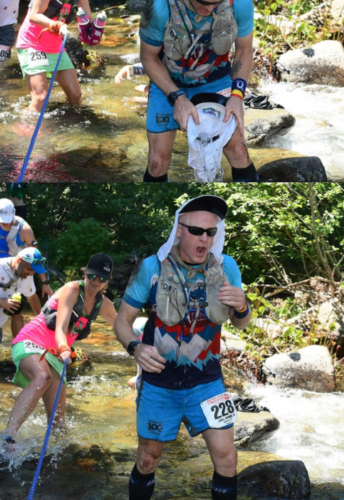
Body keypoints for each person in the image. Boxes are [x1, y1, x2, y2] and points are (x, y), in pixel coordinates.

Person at [114, 195, 252, 500]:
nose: (204, 238)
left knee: (228, 458)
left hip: (208, 381)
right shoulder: (152, 267)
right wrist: (135, 347)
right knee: (148, 459)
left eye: (210, 232)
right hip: (159, 383)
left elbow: (241, 323)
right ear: (178, 229)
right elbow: (122, 321)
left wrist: (242, 306)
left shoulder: (227, 267)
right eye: (196, 231)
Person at [139, 0, 258, 183]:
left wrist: (237, 95)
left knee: (239, 150)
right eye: (202, 1)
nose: (209, 8)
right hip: (168, 83)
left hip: (216, 79)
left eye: (216, 1)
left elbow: (243, 51)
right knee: (157, 162)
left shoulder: (240, 2)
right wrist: (177, 98)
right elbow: (148, 57)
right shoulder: (159, 7)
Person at [2, 253, 116, 449]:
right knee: (42, 378)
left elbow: (122, 327)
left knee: (58, 425)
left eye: (102, 278)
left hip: (54, 355)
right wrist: (64, 348)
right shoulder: (72, 289)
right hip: (31, 341)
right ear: (85, 273)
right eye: (92, 276)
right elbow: (61, 328)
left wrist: (139, 344)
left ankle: (61, 462)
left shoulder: (103, 304)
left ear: (107, 281)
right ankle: (7, 439)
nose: (96, 281)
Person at [15, 0, 94, 112]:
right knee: (41, 98)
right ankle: (24, 131)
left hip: (55, 47)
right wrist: (56, 25)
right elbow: (34, 16)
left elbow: (88, 20)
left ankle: (69, 131)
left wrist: (94, 31)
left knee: (76, 96)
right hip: (33, 44)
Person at [0, 198, 52, 336]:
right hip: (6, 267)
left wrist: (44, 282)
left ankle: (17, 348)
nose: (5, 222)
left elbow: (34, 258)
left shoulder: (24, 229)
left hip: (17, 268)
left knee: (16, 309)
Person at [0, 248, 44, 343]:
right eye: (29, 269)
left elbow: (32, 296)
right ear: (19, 260)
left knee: (18, 308)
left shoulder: (26, 275)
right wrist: (1, 302)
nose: (31, 273)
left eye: (34, 271)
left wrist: (42, 320)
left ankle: (19, 346)